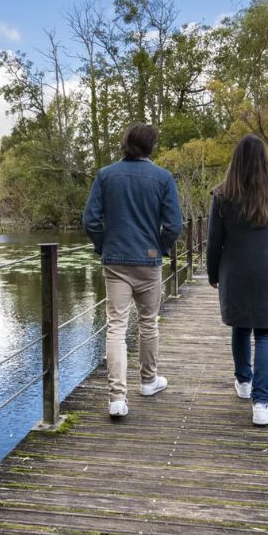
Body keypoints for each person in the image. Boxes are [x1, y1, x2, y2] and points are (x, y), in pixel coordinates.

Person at [82, 123, 184, 418]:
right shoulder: (163, 178)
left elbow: (91, 221)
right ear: (151, 147)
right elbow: (174, 225)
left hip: (115, 262)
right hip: (149, 260)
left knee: (116, 326)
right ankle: (149, 381)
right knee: (148, 322)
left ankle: (117, 398)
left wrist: (106, 246)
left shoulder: (105, 175)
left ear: (126, 143)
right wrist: (160, 247)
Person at [206, 134, 268, 426]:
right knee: (266, 334)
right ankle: (261, 403)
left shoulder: (222, 195)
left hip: (235, 271)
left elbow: (214, 241)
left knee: (240, 326)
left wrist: (212, 272)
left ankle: (244, 382)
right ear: (265, 160)